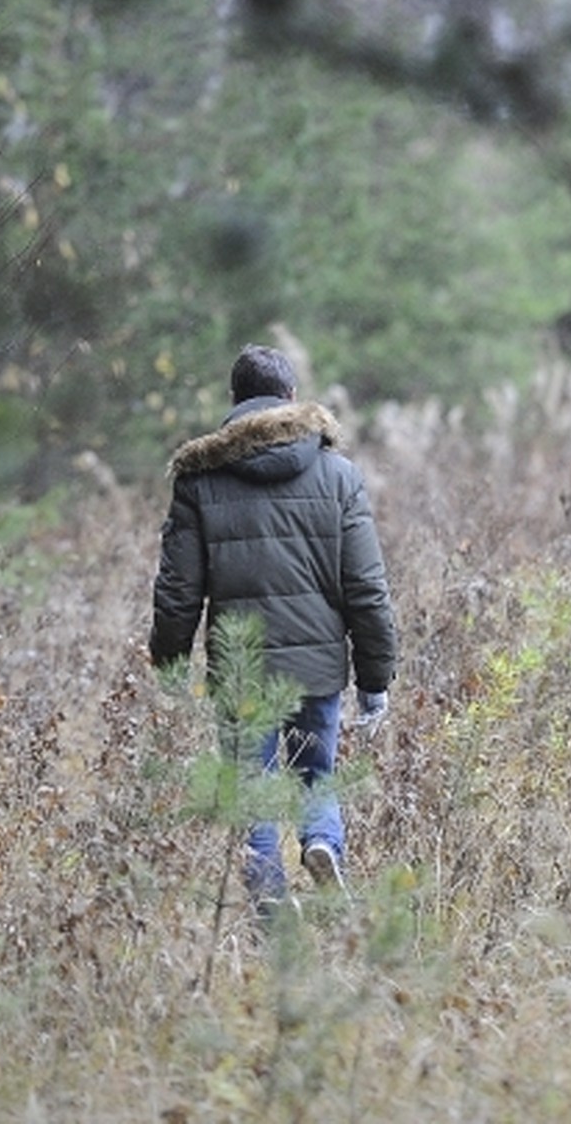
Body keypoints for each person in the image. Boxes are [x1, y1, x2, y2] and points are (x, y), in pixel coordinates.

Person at [150, 343, 397, 907]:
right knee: (316, 775)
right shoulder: (340, 477)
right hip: (318, 668)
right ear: (290, 398)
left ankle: (270, 912)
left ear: (235, 403)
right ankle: (323, 844)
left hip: (241, 671)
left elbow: (178, 592)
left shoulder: (198, 482)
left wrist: (168, 663)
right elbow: (367, 588)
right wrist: (375, 681)